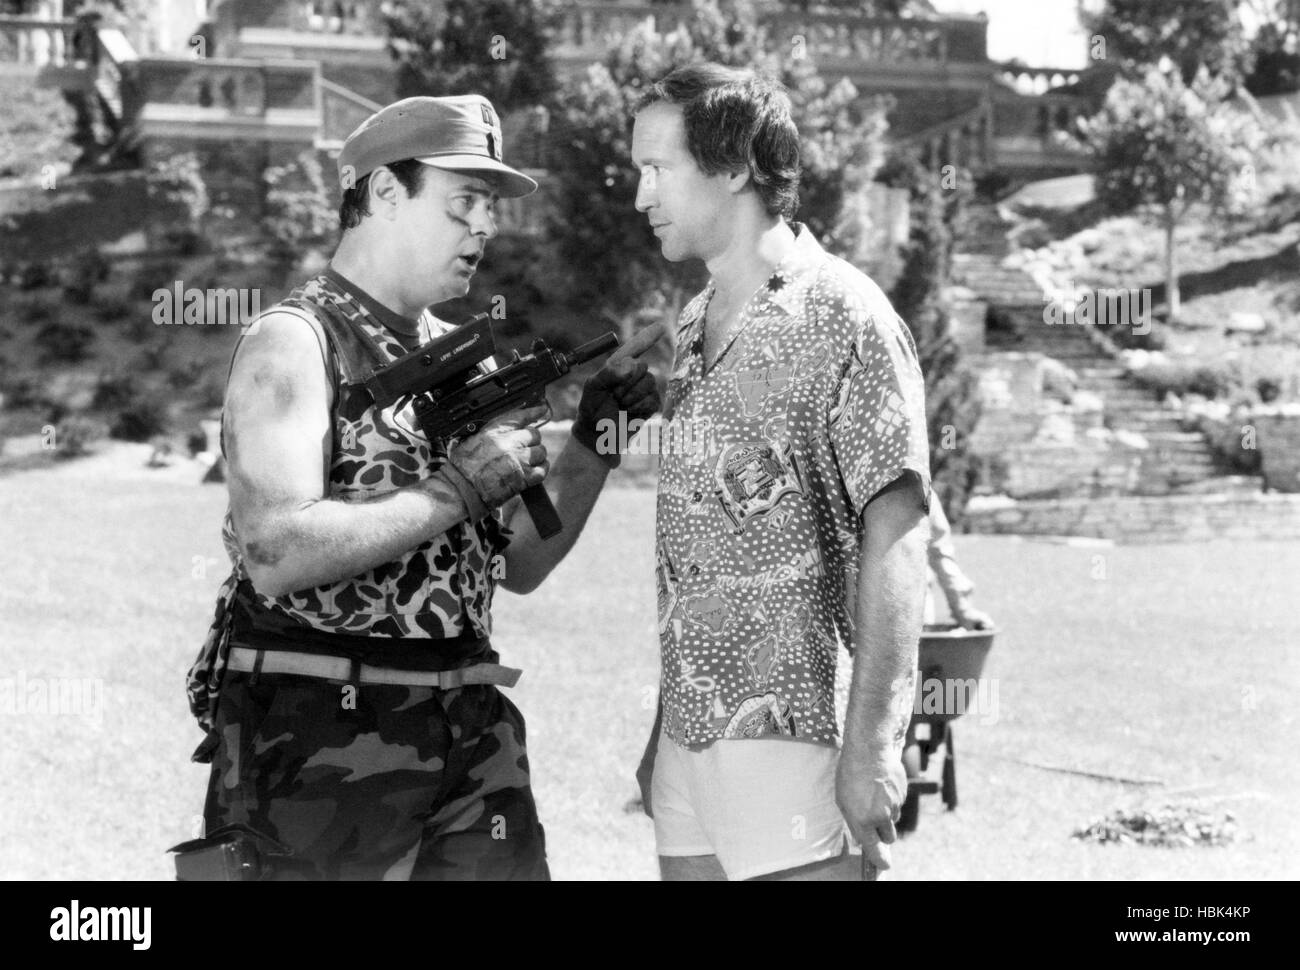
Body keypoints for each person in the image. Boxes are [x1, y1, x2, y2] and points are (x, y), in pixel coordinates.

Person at [180, 94, 659, 880]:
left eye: (490, 206)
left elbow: (520, 565)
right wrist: (454, 491)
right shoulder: (295, 343)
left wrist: (596, 439)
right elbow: (274, 548)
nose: (485, 225)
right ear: (383, 193)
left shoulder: (458, 353)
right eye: (463, 201)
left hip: (468, 729)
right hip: (318, 742)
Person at [632, 65, 932, 881]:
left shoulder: (847, 313)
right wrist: (667, 729)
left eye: (658, 169)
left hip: (794, 730)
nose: (640, 195)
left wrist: (874, 743)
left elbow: (900, 537)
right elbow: (702, 549)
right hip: (691, 743)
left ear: (734, 168)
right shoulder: (692, 326)